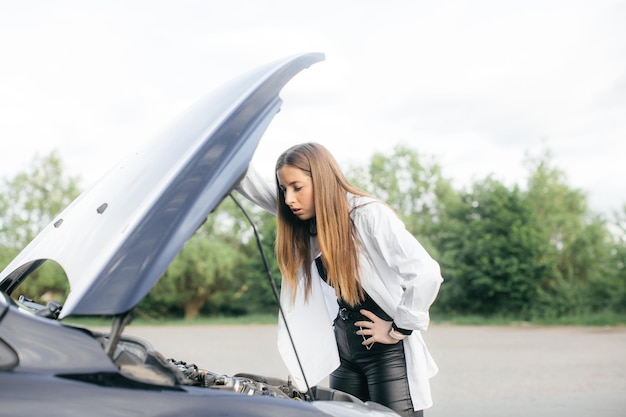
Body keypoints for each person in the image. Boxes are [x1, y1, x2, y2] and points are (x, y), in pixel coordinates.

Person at [236, 142, 443, 416]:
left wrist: (399, 328)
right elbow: (253, 186)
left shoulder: (366, 214)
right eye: (284, 189)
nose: (288, 199)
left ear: (321, 180)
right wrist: (227, 149)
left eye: (297, 187)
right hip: (344, 354)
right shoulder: (310, 221)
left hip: (385, 354)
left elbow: (426, 273)